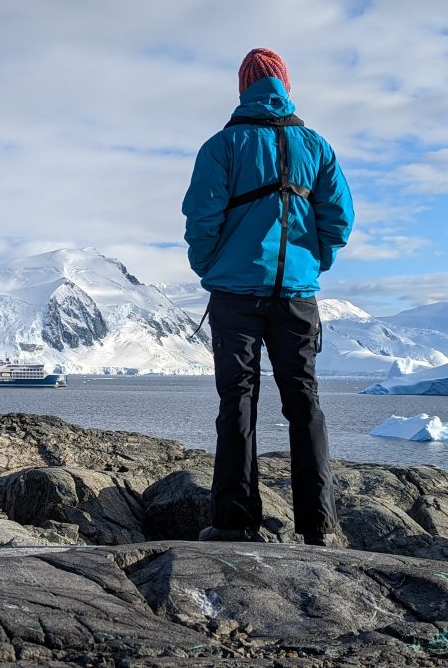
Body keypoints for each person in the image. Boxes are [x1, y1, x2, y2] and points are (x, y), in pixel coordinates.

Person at [181, 48, 354, 546]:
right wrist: (312, 263)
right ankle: (320, 526)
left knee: (237, 399)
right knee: (305, 402)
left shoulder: (222, 146)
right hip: (297, 296)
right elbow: (339, 218)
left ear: (243, 88)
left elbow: (201, 218)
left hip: (235, 293)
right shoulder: (317, 146)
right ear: (286, 86)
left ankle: (235, 522)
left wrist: (210, 267)